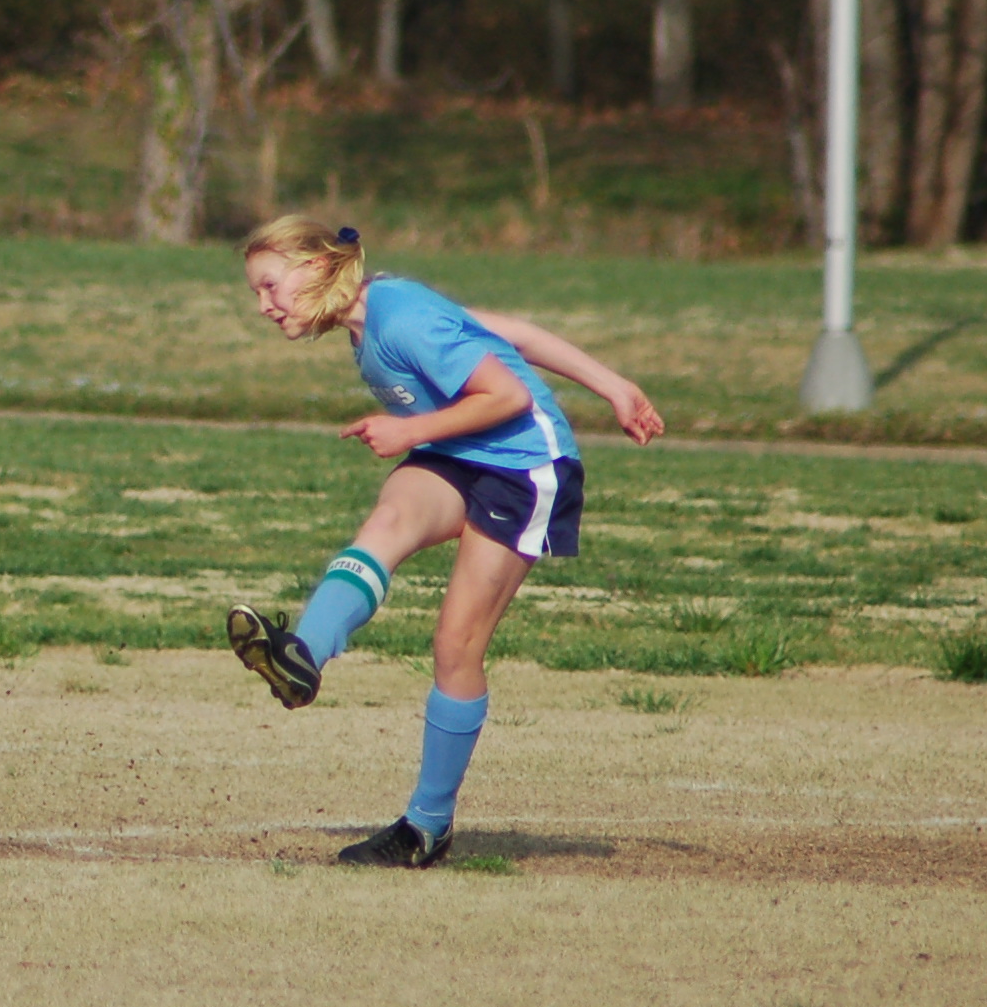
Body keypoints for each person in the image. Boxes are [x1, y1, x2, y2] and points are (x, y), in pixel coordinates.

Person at [226, 216, 664, 868]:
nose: (264, 305)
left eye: (269, 286)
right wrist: (614, 386)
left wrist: (409, 431)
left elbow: (508, 395)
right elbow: (507, 333)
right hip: (458, 452)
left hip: (524, 468)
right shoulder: (373, 315)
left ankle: (426, 827)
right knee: (388, 522)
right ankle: (302, 657)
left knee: (456, 646)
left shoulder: (399, 316)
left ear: (315, 267)